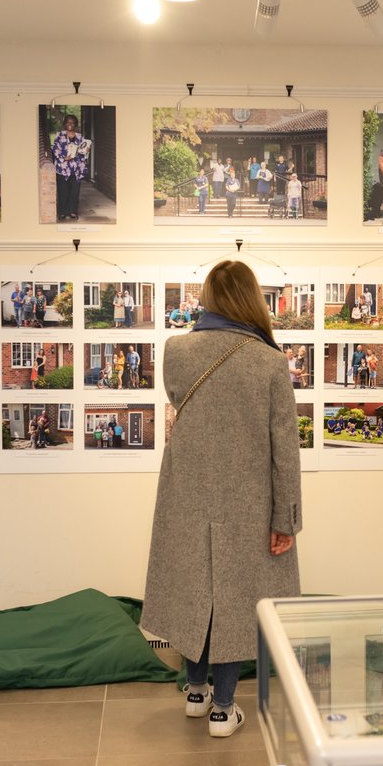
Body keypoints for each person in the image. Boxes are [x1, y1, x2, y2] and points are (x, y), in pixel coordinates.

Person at [142, 260, 302, 739]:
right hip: (249, 497)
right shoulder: (270, 362)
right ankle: (224, 707)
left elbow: (181, 405)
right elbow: (285, 452)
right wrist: (286, 519)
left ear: (209, 297)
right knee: (237, 596)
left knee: (195, 586)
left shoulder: (177, 350)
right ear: (252, 298)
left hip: (187, 491)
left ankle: (196, 691)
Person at [53, 113, 88, 220]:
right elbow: (55, 149)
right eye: (68, 122)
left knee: (74, 191)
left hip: (76, 169)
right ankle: (63, 212)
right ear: (64, 124)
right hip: (63, 168)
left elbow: (83, 151)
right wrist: (64, 157)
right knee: (63, 191)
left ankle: (73, 211)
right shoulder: (60, 136)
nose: (70, 124)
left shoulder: (80, 137)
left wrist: (86, 151)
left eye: (73, 122)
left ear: (75, 125)